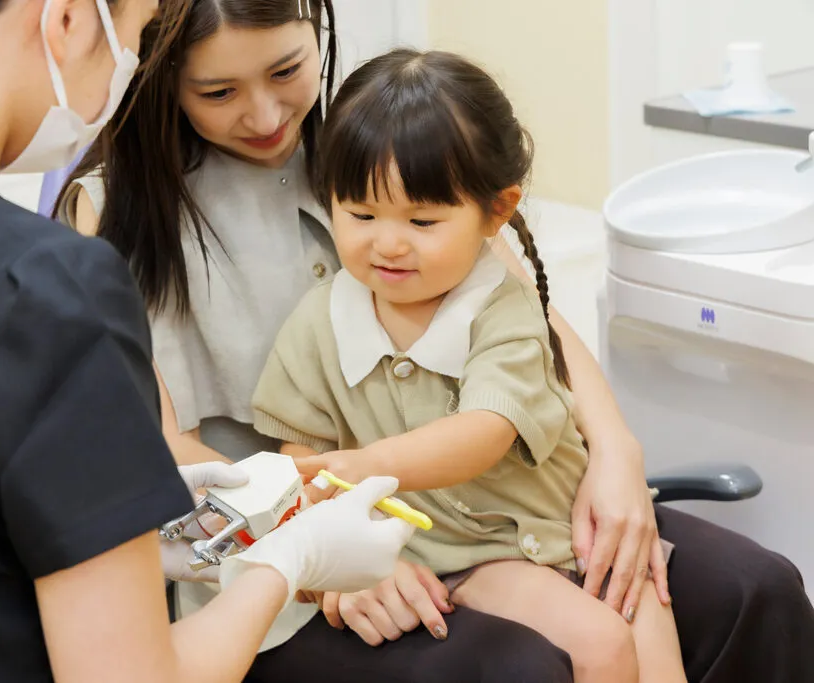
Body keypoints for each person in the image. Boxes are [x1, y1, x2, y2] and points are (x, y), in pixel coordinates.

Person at [55, 2, 814, 681]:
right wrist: (316, 556)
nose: (263, 114)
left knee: (758, 588)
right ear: (156, 76)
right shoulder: (109, 213)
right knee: (522, 663)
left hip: (500, 494)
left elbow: (525, 316)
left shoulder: (378, 143)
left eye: (287, 70)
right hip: (283, 548)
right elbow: (162, 450)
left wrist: (617, 455)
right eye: (216, 93)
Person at [0, 1, 416, 681]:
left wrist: (127, 521)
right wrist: (293, 557)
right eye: (139, 35)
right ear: (65, 20)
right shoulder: (48, 289)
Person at [251, 48, 688, 683]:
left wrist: (368, 465)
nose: (389, 242)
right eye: (361, 214)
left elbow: (487, 427)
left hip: (568, 527)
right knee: (601, 645)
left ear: (497, 212)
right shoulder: (316, 324)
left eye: (422, 220)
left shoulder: (504, 309)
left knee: (652, 639)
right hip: (472, 555)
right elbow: (302, 454)